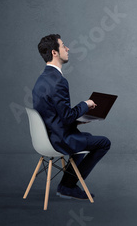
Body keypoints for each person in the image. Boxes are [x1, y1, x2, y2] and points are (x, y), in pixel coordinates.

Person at [32, 34, 111, 200]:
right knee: (104, 143)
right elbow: (67, 117)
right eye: (63, 46)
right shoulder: (59, 81)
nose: (67, 49)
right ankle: (68, 186)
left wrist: (78, 120)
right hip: (59, 140)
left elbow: (53, 115)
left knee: (85, 137)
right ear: (54, 52)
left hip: (47, 137)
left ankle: (66, 185)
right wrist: (85, 104)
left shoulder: (41, 79)